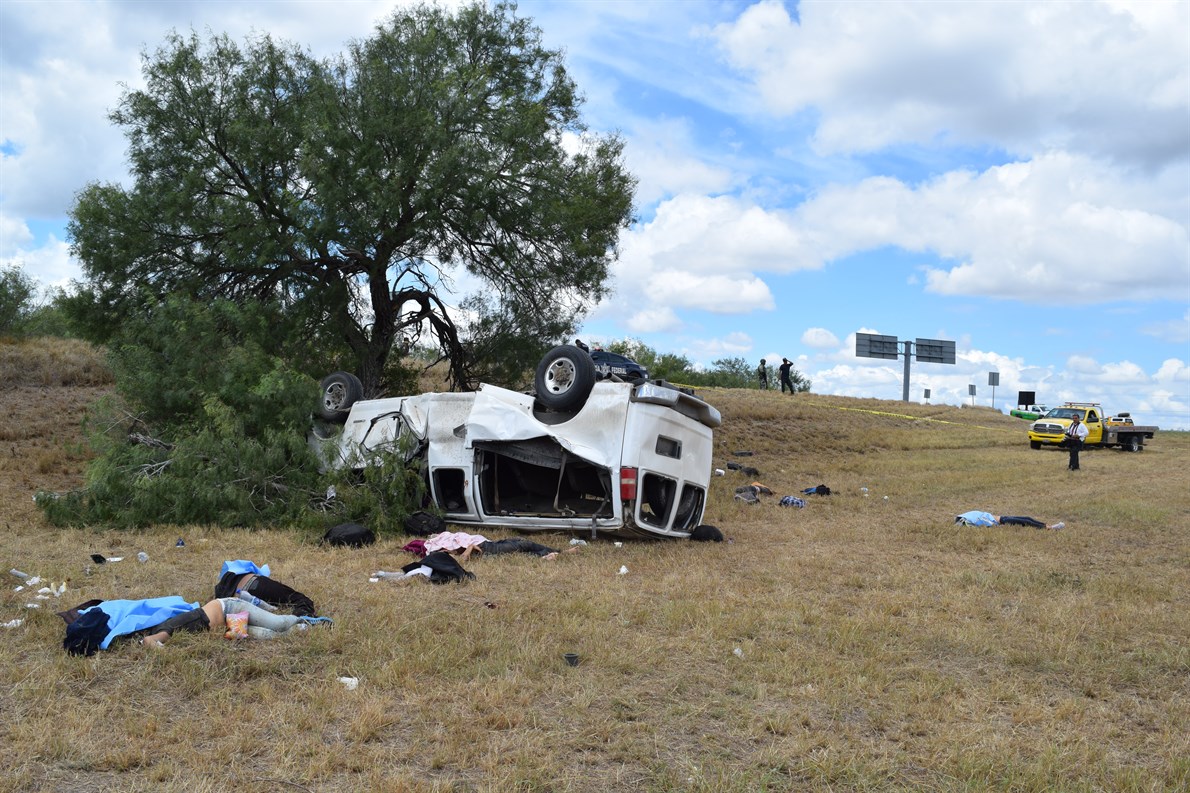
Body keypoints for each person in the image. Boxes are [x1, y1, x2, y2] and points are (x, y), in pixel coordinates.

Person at [62, 595, 330, 655]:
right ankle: (304, 630)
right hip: (228, 628)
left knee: (279, 623)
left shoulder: (166, 629)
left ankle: (307, 620)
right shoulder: (156, 629)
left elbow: (151, 642)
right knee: (271, 636)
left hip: (230, 608)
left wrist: (157, 646)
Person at [214, 559, 317, 616]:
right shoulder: (241, 568)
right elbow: (263, 572)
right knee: (300, 600)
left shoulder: (220, 588)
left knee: (277, 607)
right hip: (253, 583)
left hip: (237, 603)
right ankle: (303, 618)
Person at [421, 530, 576, 561]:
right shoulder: (442, 553)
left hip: (489, 544)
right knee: (523, 546)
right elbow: (462, 559)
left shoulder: (446, 540)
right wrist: (470, 547)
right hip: (488, 548)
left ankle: (553, 554)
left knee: (520, 544)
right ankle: (561, 553)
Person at [955, 511, 1064, 530]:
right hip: (1002, 520)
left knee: (1027, 518)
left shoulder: (968, 517)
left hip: (1002, 518)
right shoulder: (970, 519)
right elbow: (988, 524)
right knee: (1026, 521)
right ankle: (1049, 528)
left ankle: (1047, 525)